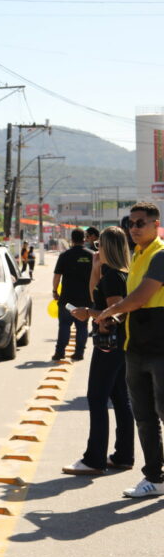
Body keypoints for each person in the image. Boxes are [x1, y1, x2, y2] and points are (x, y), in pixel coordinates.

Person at [98, 202, 164, 498]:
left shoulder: (160, 255)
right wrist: (95, 312)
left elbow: (139, 297)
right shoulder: (137, 256)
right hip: (136, 348)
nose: (134, 228)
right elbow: (129, 306)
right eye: (131, 223)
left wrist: (110, 310)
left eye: (140, 223)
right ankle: (155, 477)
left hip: (160, 349)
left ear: (155, 224)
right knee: (145, 418)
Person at [61, 226, 134, 476]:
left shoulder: (114, 276)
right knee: (120, 399)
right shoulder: (117, 273)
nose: (96, 249)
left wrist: (88, 314)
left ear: (108, 248)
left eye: (99, 245)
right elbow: (95, 296)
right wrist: (95, 267)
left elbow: (115, 314)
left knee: (97, 397)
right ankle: (124, 455)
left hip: (109, 345)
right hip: (119, 345)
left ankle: (94, 459)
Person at [52, 228, 94, 361]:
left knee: (64, 325)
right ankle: (79, 353)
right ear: (84, 239)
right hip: (85, 299)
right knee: (82, 326)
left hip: (67, 299)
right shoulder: (92, 255)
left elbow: (57, 276)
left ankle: (60, 353)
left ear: (72, 239)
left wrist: (54, 291)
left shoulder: (64, 256)